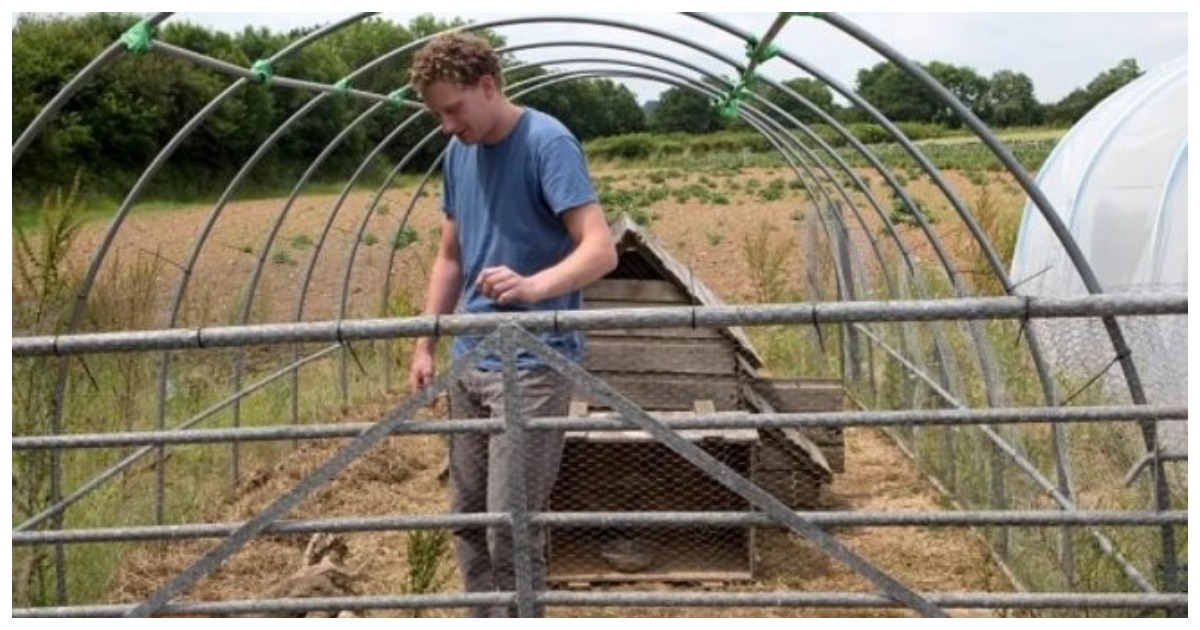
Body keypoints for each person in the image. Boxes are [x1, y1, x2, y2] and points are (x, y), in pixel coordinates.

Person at [406, 32, 618, 617]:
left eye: (453, 109)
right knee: (468, 521)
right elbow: (450, 257)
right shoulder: (458, 153)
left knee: (510, 527)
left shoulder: (547, 142)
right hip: (470, 361)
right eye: (437, 115)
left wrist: (533, 287)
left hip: (533, 363)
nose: (448, 125)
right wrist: (426, 342)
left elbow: (600, 250)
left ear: (489, 87)